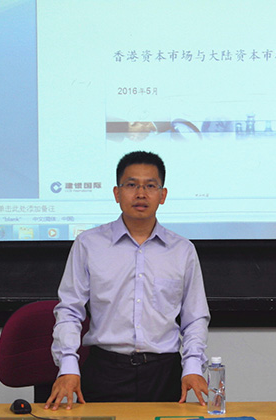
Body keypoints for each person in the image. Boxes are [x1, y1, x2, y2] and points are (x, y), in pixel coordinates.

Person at [45, 151, 210, 411]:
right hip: (105, 371)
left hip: (164, 373)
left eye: (150, 186)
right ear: (117, 193)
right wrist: (68, 366)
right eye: (131, 185)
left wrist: (192, 367)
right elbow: (69, 310)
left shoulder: (182, 250)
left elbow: (195, 317)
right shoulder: (89, 244)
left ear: (163, 195)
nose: (141, 194)